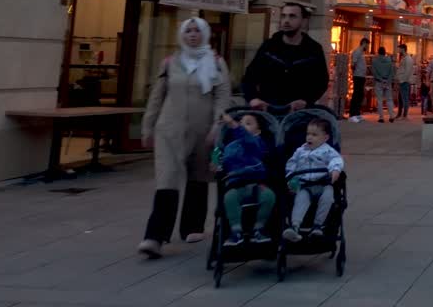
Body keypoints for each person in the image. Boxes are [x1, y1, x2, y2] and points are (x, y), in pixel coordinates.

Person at [138, 17, 231, 258]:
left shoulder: (217, 63)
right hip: (169, 131)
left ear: (205, 34)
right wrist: (147, 126)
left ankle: (193, 226)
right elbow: (157, 97)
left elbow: (222, 96)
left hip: (203, 132)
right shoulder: (171, 63)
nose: (192, 35)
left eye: (196, 31)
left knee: (198, 177)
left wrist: (218, 125)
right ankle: (155, 237)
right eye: (188, 31)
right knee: (167, 181)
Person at [242, 2, 329, 110]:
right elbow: (250, 76)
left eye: (292, 16)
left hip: (297, 114)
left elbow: (321, 81)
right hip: (268, 110)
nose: (286, 20)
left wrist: (306, 100)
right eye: (283, 16)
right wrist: (252, 98)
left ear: (303, 21)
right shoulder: (269, 46)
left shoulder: (313, 49)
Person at [216, 113, 274, 247]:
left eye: (248, 123)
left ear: (258, 131)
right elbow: (223, 163)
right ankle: (236, 230)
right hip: (236, 184)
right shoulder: (230, 147)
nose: (242, 126)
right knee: (229, 198)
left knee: (269, 196)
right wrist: (217, 164)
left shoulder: (256, 143)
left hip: (255, 183)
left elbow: (246, 138)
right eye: (241, 123)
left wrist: (233, 124)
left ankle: (259, 228)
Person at [282, 119, 345, 242]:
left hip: (323, 184)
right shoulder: (300, 151)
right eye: (308, 134)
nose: (309, 137)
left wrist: (335, 170)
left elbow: (336, 159)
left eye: (314, 135)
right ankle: (295, 226)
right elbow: (292, 164)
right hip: (305, 185)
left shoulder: (328, 151)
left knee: (328, 198)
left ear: (325, 138)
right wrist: (291, 178)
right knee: (300, 200)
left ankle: (318, 225)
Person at [371, 46, 395, 123]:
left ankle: (381, 117)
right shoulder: (389, 61)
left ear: (378, 52)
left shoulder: (375, 61)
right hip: (387, 82)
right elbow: (392, 72)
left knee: (379, 100)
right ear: (385, 52)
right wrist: (388, 80)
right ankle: (391, 116)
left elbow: (374, 72)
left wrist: (380, 79)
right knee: (389, 99)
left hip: (379, 82)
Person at [348, 38, 369, 122]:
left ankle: (357, 113)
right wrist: (355, 72)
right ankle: (352, 114)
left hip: (361, 76)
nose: (368, 46)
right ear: (363, 43)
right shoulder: (357, 52)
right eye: (367, 44)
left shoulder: (361, 53)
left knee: (360, 95)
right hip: (358, 76)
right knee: (356, 94)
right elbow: (353, 64)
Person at [395, 43, 415, 119]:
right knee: (400, 98)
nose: (398, 50)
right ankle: (399, 114)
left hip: (405, 81)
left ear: (403, 49)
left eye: (399, 48)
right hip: (402, 81)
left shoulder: (408, 59)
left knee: (404, 98)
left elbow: (408, 71)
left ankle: (404, 115)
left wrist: (403, 80)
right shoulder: (404, 58)